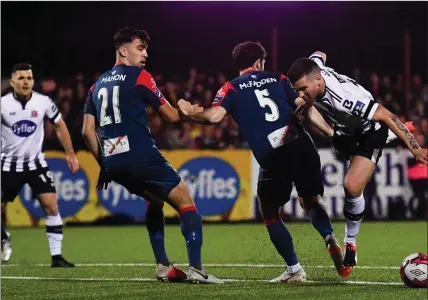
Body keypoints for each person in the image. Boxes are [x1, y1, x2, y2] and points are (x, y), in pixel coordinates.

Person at [178, 41, 349, 282]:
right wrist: (332, 134)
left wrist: (190, 112)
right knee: (311, 201)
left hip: (273, 154)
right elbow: (306, 108)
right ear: (259, 62)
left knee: (269, 211)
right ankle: (329, 236)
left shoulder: (231, 88)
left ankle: (294, 270)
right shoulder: (279, 80)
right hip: (302, 144)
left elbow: (215, 117)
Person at [81, 27, 222, 284]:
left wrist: (103, 164)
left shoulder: (95, 85)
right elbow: (169, 116)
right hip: (140, 153)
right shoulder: (140, 76)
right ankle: (197, 269)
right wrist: (185, 109)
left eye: (146, 48)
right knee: (186, 202)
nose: (145, 54)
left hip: (113, 160)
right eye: (140, 48)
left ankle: (163, 266)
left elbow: (87, 132)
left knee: (155, 201)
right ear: (124, 51)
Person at [287, 51, 427, 275]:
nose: (302, 94)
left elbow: (387, 116)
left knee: (351, 187)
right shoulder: (313, 72)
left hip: (370, 132)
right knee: (311, 117)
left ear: (319, 80)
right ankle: (349, 137)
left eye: (303, 89)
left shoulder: (345, 101)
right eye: (299, 90)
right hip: (346, 130)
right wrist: (306, 101)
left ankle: (350, 242)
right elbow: (319, 55)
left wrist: (415, 148)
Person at [1, 63, 79, 267]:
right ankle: (3, 236)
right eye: (21, 78)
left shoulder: (43, 102)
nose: (25, 82)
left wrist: (71, 155)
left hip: (36, 164)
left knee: (51, 206)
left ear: (33, 81)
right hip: (8, 166)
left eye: (29, 78)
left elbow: (60, 125)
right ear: (12, 82)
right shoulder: (2, 104)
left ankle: (56, 257)